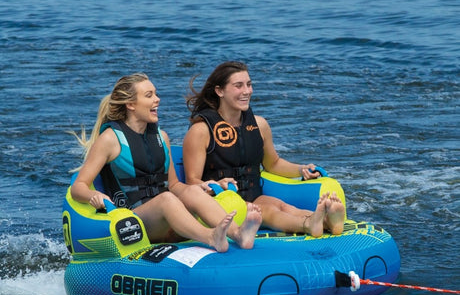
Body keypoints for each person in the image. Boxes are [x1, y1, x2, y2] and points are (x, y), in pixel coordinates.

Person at [70, 73, 262, 253]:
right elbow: (78, 186)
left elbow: (174, 185)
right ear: (131, 104)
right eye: (149, 95)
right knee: (166, 199)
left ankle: (238, 234)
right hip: (134, 223)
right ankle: (211, 237)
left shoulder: (161, 137)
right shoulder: (110, 139)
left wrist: (203, 187)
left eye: (156, 94)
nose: (157, 99)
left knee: (192, 191)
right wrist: (93, 195)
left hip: (168, 220)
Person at [182, 61, 345, 238]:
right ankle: (308, 224)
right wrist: (217, 185)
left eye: (249, 84)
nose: (247, 91)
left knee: (282, 206)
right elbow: (192, 181)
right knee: (266, 211)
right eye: (238, 86)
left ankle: (327, 221)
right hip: (222, 202)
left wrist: (302, 169)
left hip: (253, 195)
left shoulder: (259, 125)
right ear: (219, 91)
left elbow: (273, 164)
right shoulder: (201, 131)